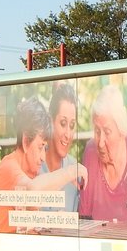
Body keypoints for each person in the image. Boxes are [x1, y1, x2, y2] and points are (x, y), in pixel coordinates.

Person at [0, 97, 87, 233]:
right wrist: (71, 172)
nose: (43, 157)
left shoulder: (29, 175)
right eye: (40, 147)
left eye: (45, 148)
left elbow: (28, 223)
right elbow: (32, 190)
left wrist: (51, 219)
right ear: (26, 142)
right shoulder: (8, 167)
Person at [80, 85, 127, 224]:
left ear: (121, 130)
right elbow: (84, 218)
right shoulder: (90, 151)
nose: (100, 143)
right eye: (97, 131)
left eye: (107, 132)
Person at [40, 83, 81, 213]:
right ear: (50, 121)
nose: (68, 134)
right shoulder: (34, 165)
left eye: (72, 125)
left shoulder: (76, 171)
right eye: (63, 123)